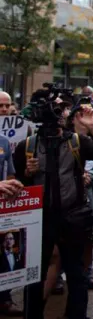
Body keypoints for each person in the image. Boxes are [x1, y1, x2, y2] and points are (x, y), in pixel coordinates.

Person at [14, 90, 93, 319]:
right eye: (55, 107)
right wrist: (28, 173)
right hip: (40, 221)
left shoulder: (78, 141)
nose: (59, 112)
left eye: (62, 107)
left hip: (73, 218)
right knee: (34, 276)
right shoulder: (26, 146)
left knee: (77, 275)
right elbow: (20, 183)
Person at [0, 133, 20, 316]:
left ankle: (5, 300)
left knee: (3, 257)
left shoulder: (4, 141)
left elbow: (10, 174)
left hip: (1, 212)